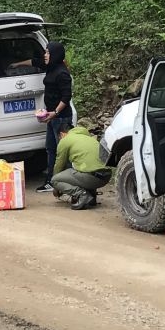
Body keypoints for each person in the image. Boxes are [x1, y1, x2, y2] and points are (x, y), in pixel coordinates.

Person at [35, 41, 74, 194]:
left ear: (55, 54)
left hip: (62, 118)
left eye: (47, 52)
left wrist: (55, 112)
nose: (45, 55)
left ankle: (70, 182)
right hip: (51, 117)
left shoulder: (62, 73)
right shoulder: (51, 68)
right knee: (51, 149)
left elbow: (66, 96)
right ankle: (52, 180)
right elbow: (35, 61)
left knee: (65, 151)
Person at [49, 120, 113, 209]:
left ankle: (82, 194)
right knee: (84, 166)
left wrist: (57, 188)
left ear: (62, 134)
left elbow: (59, 166)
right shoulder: (88, 138)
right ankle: (92, 197)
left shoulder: (65, 140)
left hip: (91, 177)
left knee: (55, 180)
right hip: (105, 177)